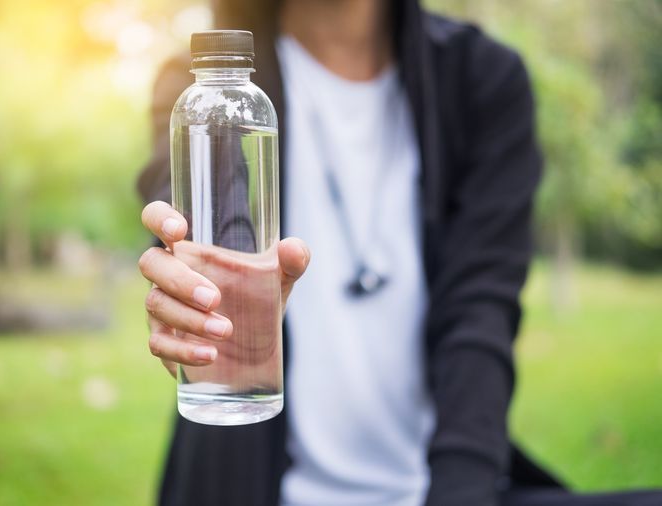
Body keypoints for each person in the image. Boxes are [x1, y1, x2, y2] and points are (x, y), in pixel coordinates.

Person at [137, 0, 662, 504]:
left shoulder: (483, 79)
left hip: (451, 485)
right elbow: (193, 214)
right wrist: (195, 286)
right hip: (251, 487)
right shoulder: (206, 89)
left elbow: (480, 317)